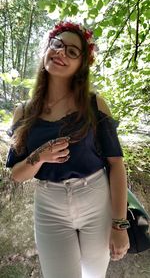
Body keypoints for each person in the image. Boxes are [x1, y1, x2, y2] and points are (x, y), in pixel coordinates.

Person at [6, 21, 130, 278]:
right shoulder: (24, 111)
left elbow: (116, 164)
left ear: (81, 65)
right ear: (46, 50)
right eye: (57, 44)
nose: (61, 52)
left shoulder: (94, 104)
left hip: (96, 200)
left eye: (72, 51)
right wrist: (40, 156)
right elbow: (17, 174)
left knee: (94, 275)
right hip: (49, 207)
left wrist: (119, 224)